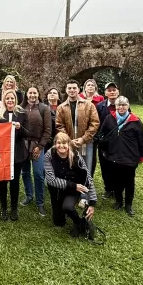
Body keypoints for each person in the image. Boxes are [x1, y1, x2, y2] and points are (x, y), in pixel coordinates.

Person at [98, 95, 143, 216]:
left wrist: (142, 155)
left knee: (129, 181)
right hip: (113, 155)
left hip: (130, 156)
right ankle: (119, 201)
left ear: (128, 106)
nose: (121, 107)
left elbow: (142, 140)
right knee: (116, 180)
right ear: (115, 106)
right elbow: (102, 134)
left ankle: (128, 204)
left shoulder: (135, 121)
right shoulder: (110, 118)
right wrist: (104, 149)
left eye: (124, 105)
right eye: (119, 105)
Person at [44, 132, 98, 240]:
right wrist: (73, 185)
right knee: (58, 222)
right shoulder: (49, 155)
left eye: (64, 143)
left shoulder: (76, 157)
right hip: (58, 190)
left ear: (69, 144)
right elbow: (50, 180)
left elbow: (88, 179)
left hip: (73, 190)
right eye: (58, 143)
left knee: (67, 207)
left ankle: (79, 223)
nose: (61, 146)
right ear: (55, 144)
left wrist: (92, 203)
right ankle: (73, 217)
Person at [56, 80, 100, 208]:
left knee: (85, 169)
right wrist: (69, 141)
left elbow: (94, 123)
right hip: (68, 144)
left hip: (86, 143)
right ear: (66, 90)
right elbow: (59, 125)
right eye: (69, 88)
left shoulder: (89, 105)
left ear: (79, 89)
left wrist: (83, 139)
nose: (72, 90)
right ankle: (72, 194)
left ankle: (85, 197)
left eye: (74, 88)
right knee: (70, 168)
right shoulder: (62, 107)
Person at [0, 88, 31, 221]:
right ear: (4, 100)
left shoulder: (22, 113)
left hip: (17, 154)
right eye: (7, 98)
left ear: (16, 100)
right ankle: (3, 208)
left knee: (14, 182)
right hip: (2, 154)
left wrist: (20, 128)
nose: (10, 101)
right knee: (2, 182)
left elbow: (27, 133)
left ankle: (14, 208)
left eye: (12, 98)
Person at [20, 86, 52, 216]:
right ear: (26, 94)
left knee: (38, 174)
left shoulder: (44, 108)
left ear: (38, 94)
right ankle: (29, 195)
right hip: (23, 145)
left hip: (38, 145)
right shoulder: (21, 108)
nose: (32, 95)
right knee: (25, 172)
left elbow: (48, 130)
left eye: (35, 92)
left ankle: (40, 202)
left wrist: (40, 147)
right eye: (30, 92)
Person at [81, 78, 110, 196]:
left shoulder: (100, 99)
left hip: (96, 132)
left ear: (95, 88)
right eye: (88, 85)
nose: (90, 87)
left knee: (92, 157)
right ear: (85, 87)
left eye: (92, 85)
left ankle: (89, 178)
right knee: (81, 155)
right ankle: (81, 177)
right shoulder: (80, 97)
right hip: (82, 132)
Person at [96, 81, 120, 198]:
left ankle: (118, 189)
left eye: (114, 90)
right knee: (105, 165)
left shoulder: (123, 104)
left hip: (119, 142)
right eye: (109, 90)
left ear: (118, 92)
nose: (112, 92)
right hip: (104, 142)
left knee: (117, 165)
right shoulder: (100, 106)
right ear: (105, 93)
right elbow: (96, 123)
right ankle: (108, 188)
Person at [44, 87, 61, 152]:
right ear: (47, 96)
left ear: (58, 96)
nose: (52, 94)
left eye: (54, 93)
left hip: (60, 138)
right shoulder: (42, 108)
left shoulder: (63, 107)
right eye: (50, 93)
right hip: (46, 139)